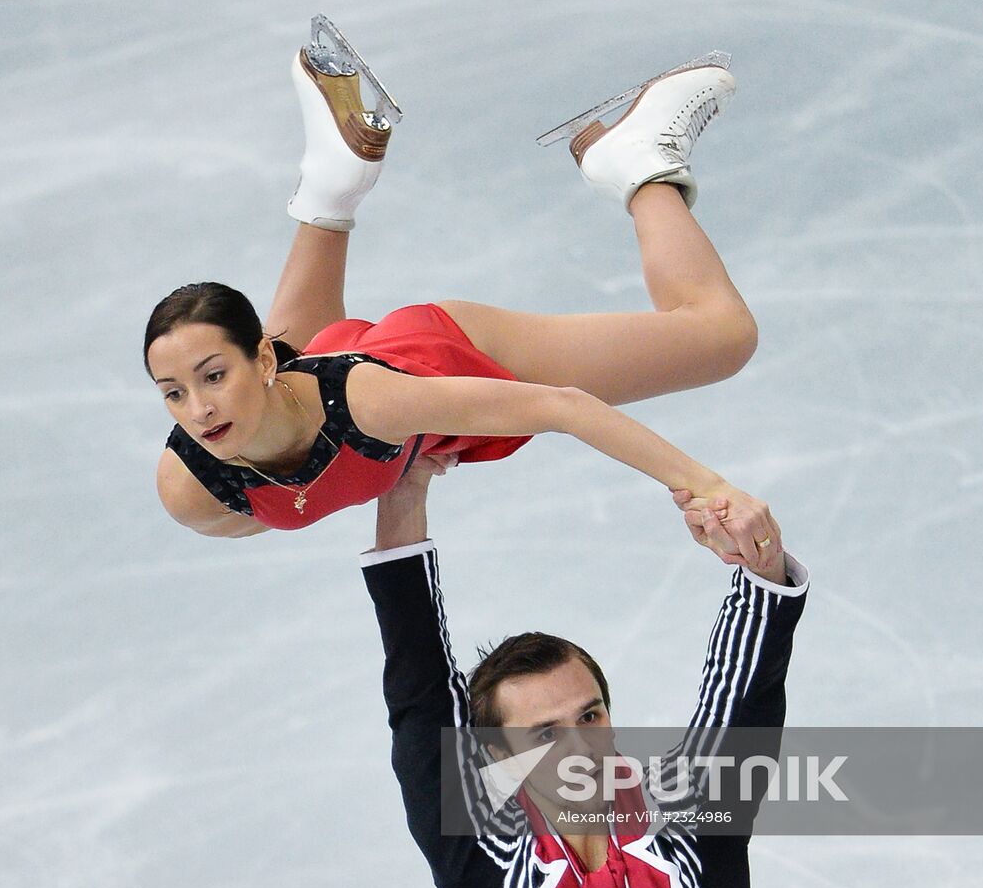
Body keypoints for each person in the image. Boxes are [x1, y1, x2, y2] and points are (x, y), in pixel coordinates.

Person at [147, 32, 776, 554]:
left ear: (257, 361)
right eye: (173, 392)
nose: (198, 409)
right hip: (351, 388)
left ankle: (634, 162)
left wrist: (706, 485)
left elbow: (562, 408)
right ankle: (333, 183)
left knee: (722, 337)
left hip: (441, 351)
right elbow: (326, 468)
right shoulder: (197, 491)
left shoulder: (373, 402)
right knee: (308, 364)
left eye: (212, 377)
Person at [360, 454, 809, 888]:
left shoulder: (686, 817)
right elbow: (419, 686)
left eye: (589, 717)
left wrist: (762, 561)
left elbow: (742, 693)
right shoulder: (486, 858)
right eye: (545, 734)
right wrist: (404, 489)